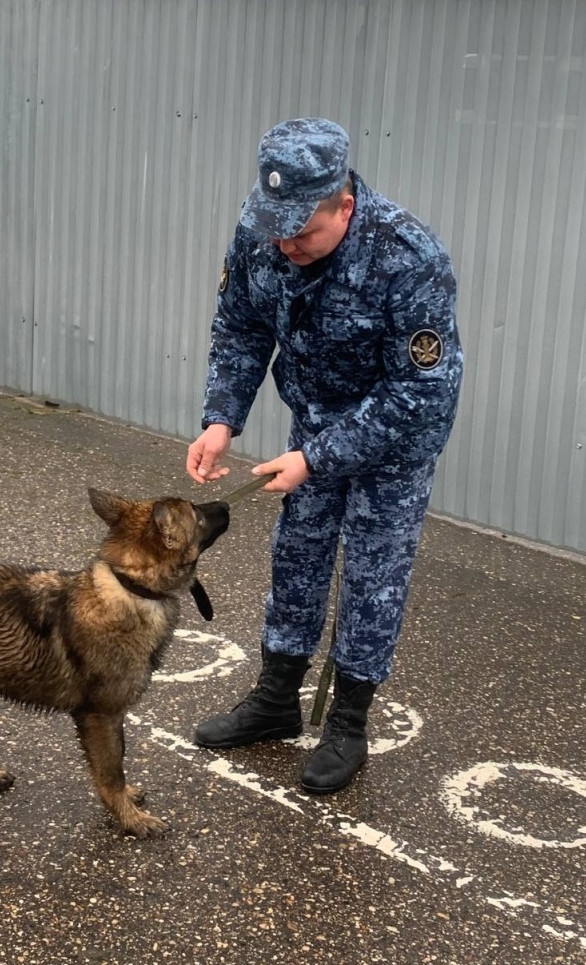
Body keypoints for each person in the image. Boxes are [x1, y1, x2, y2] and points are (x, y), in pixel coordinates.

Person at [186, 117, 463, 794]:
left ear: (344, 203)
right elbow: (241, 329)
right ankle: (277, 701)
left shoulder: (408, 255)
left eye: (303, 232)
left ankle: (348, 725)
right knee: (298, 553)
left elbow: (422, 389)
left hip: (393, 443)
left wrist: (317, 456)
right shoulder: (266, 236)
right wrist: (222, 418)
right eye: (277, 228)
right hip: (313, 429)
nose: (286, 245)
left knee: (373, 578)